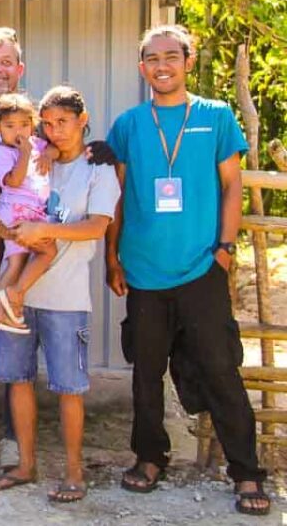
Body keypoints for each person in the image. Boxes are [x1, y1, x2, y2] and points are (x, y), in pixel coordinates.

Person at [105, 25, 269, 516]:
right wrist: (114, 258)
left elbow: (233, 186)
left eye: (171, 56)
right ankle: (150, 458)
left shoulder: (216, 117)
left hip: (202, 267)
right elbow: (118, 196)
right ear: (142, 68)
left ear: (187, 61)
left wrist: (223, 248)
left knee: (221, 370)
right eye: (152, 59)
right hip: (144, 272)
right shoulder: (130, 124)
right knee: (146, 374)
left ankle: (245, 472)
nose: (162, 66)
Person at [0, 85, 120, 503]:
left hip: (66, 298)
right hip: (19, 298)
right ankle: (26, 465)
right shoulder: (33, 156)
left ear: (83, 121)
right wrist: (0, 224)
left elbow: (96, 226)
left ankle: (75, 473)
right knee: (18, 381)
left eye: (63, 121)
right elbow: (3, 198)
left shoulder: (97, 167)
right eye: (48, 122)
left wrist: (44, 230)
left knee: (69, 387)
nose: (55, 130)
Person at [0, 93, 56, 334]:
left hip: (30, 211)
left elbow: (56, 150)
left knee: (17, 262)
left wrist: (47, 154)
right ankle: (14, 295)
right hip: (15, 212)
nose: (19, 132)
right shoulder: (2, 153)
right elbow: (13, 181)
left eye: (25, 125)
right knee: (47, 252)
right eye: (10, 126)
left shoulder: (37, 144)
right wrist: (25, 155)